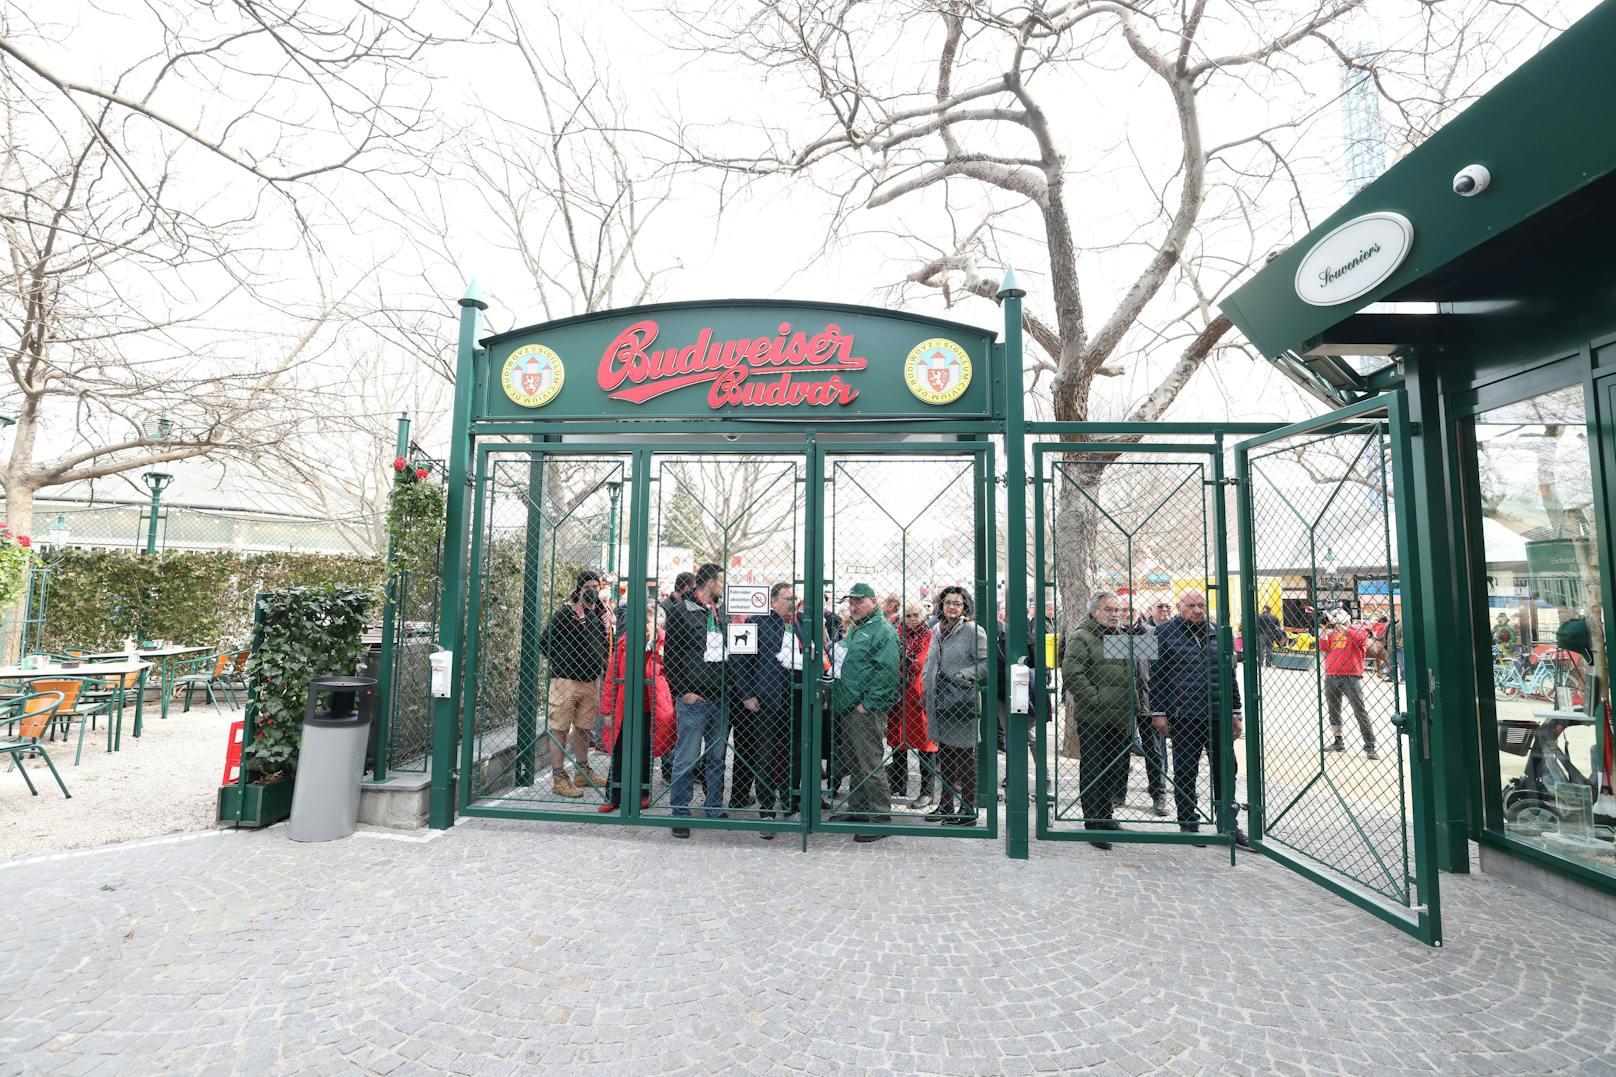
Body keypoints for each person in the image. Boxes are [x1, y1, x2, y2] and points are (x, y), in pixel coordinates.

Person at [1151, 589, 1247, 847]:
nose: (1197, 610)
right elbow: (1157, 677)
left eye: (1201, 605)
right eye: (1191, 605)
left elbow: (1230, 676)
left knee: (1226, 769)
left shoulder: (1217, 632)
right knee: (1185, 771)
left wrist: (1236, 712)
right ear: (1179, 607)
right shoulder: (1164, 634)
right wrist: (1158, 713)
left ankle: (1228, 823)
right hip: (1184, 715)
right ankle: (1188, 822)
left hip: (1217, 714)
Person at [1061, 590, 1150, 849]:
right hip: (1095, 716)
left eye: (1117, 610)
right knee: (1094, 768)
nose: (1114, 614)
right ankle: (1093, 822)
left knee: (1114, 767)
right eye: (1108, 610)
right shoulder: (1083, 636)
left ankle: (1106, 815)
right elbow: (1072, 673)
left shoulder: (1119, 636)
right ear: (1094, 612)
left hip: (1120, 715)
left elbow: (1153, 648)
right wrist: (1096, 698)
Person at [732, 582, 807, 835]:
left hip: (796, 698)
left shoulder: (801, 624)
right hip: (767, 698)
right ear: (773, 600)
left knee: (794, 753)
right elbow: (740, 660)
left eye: (795, 598)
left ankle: (791, 804)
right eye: (787, 598)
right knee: (764, 754)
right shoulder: (757, 622)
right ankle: (766, 810)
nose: (792, 602)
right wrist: (746, 694)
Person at [662, 562, 729, 838]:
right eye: (721, 581)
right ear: (710, 582)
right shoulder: (680, 613)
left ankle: (713, 805)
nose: (723, 586)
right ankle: (680, 811)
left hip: (720, 697)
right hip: (694, 699)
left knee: (717, 756)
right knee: (687, 757)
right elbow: (671, 658)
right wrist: (683, 691)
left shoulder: (721, 613)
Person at [830, 582, 900, 843]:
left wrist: (868, 704)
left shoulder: (882, 631)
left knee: (870, 762)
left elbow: (886, 672)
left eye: (859, 601)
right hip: (849, 705)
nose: (854, 606)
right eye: (851, 602)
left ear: (874, 602)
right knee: (856, 760)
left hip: (865, 709)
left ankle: (881, 817)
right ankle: (858, 809)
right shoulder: (859, 628)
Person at [535, 570, 610, 799]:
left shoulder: (598, 616)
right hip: (566, 681)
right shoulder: (565, 614)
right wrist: (564, 661)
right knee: (559, 729)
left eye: (596, 588)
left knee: (583, 728)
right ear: (579, 589)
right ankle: (559, 778)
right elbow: (544, 644)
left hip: (590, 682)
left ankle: (582, 771)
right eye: (587, 588)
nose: (592, 592)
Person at [922, 584, 989, 827]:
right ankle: (946, 804)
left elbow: (986, 663)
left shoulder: (973, 631)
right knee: (947, 755)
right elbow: (930, 663)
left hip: (961, 703)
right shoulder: (937, 629)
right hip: (939, 701)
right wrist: (925, 687)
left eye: (956, 603)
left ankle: (968, 809)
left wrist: (962, 676)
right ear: (941, 605)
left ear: (964, 607)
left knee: (964, 756)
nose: (951, 607)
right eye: (947, 602)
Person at [599, 604, 675, 813]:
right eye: (642, 622)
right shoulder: (625, 643)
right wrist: (606, 710)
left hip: (652, 706)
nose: (645, 627)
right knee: (620, 750)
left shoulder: (664, 644)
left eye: (649, 622)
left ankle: (643, 793)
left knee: (645, 751)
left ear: (657, 623)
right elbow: (611, 677)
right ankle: (614, 794)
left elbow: (673, 674)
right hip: (626, 705)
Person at [886, 600, 937, 809]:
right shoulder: (896, 634)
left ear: (923, 616)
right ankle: (898, 782)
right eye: (908, 616)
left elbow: (922, 661)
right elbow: (892, 659)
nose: (912, 619)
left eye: (916, 615)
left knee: (925, 742)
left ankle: (927, 791)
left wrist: (906, 663)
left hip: (918, 693)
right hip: (899, 693)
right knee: (897, 738)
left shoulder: (929, 635)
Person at [1319, 608, 1375, 759]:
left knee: (1359, 711)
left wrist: (1337, 624)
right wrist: (1324, 629)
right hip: (1331, 676)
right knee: (1333, 711)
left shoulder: (1359, 631)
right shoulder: (1332, 634)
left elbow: (1358, 638)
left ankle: (1370, 745)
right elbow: (1323, 647)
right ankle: (1338, 741)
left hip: (1351, 677)